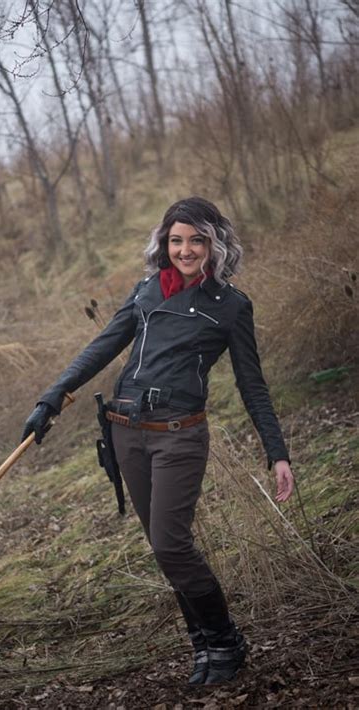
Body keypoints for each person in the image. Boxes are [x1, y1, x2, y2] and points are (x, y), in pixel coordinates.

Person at [22, 196, 294, 685]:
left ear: (215, 244)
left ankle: (226, 639)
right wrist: (52, 396)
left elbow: (253, 385)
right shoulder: (147, 291)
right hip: (127, 435)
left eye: (196, 240)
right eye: (175, 240)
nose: (185, 250)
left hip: (178, 437)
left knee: (172, 545)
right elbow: (102, 346)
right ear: (163, 244)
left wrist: (277, 453)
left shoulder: (231, 307)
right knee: (163, 547)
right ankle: (204, 648)